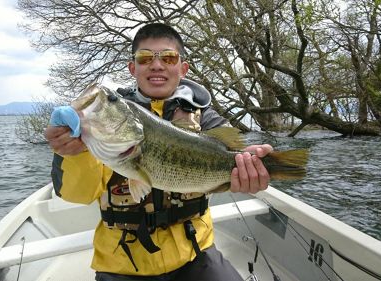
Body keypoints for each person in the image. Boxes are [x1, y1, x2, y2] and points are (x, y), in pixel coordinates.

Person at [44, 23, 273, 281]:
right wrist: (72, 152)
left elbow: (231, 153)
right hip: (121, 264)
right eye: (144, 58)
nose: (156, 65)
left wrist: (251, 164)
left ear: (182, 68)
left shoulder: (205, 118)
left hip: (196, 253)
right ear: (133, 68)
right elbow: (77, 195)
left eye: (168, 57)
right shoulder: (103, 130)